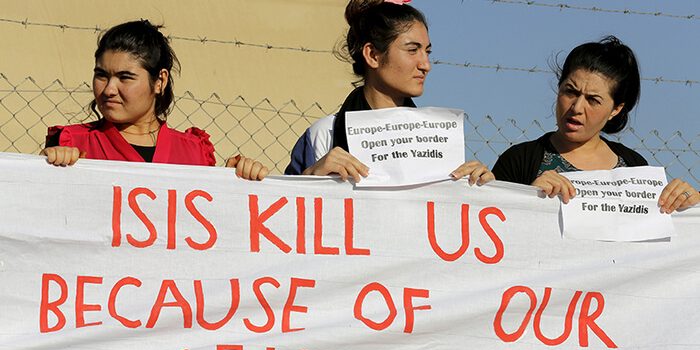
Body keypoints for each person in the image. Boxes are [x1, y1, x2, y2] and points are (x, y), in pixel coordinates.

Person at [285, 0, 493, 185]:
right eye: (412, 50)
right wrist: (311, 180)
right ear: (373, 55)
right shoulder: (324, 135)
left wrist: (482, 189)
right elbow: (289, 219)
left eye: (427, 51)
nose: (426, 65)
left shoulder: (438, 141)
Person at [492, 36, 698, 213]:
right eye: (570, 92)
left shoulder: (634, 168)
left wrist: (688, 207)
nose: (577, 107)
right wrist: (528, 198)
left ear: (616, 109)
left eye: (593, 100)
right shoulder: (519, 161)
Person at [41, 20, 268, 180]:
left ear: (160, 80)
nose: (109, 89)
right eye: (101, 75)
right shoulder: (73, 143)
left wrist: (237, 183)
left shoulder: (194, 152)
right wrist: (46, 168)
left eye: (125, 77)